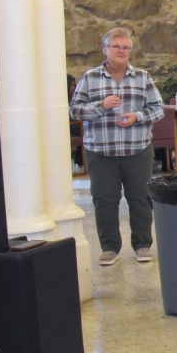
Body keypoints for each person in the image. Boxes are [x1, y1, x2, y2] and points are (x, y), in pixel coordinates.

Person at [70, 28, 164, 265]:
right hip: (100, 152)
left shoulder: (143, 77)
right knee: (104, 200)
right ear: (105, 50)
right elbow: (74, 110)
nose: (122, 51)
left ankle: (143, 245)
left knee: (141, 199)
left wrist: (137, 117)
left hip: (137, 151)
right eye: (116, 47)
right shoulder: (90, 77)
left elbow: (159, 109)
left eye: (126, 47)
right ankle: (109, 248)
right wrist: (100, 105)